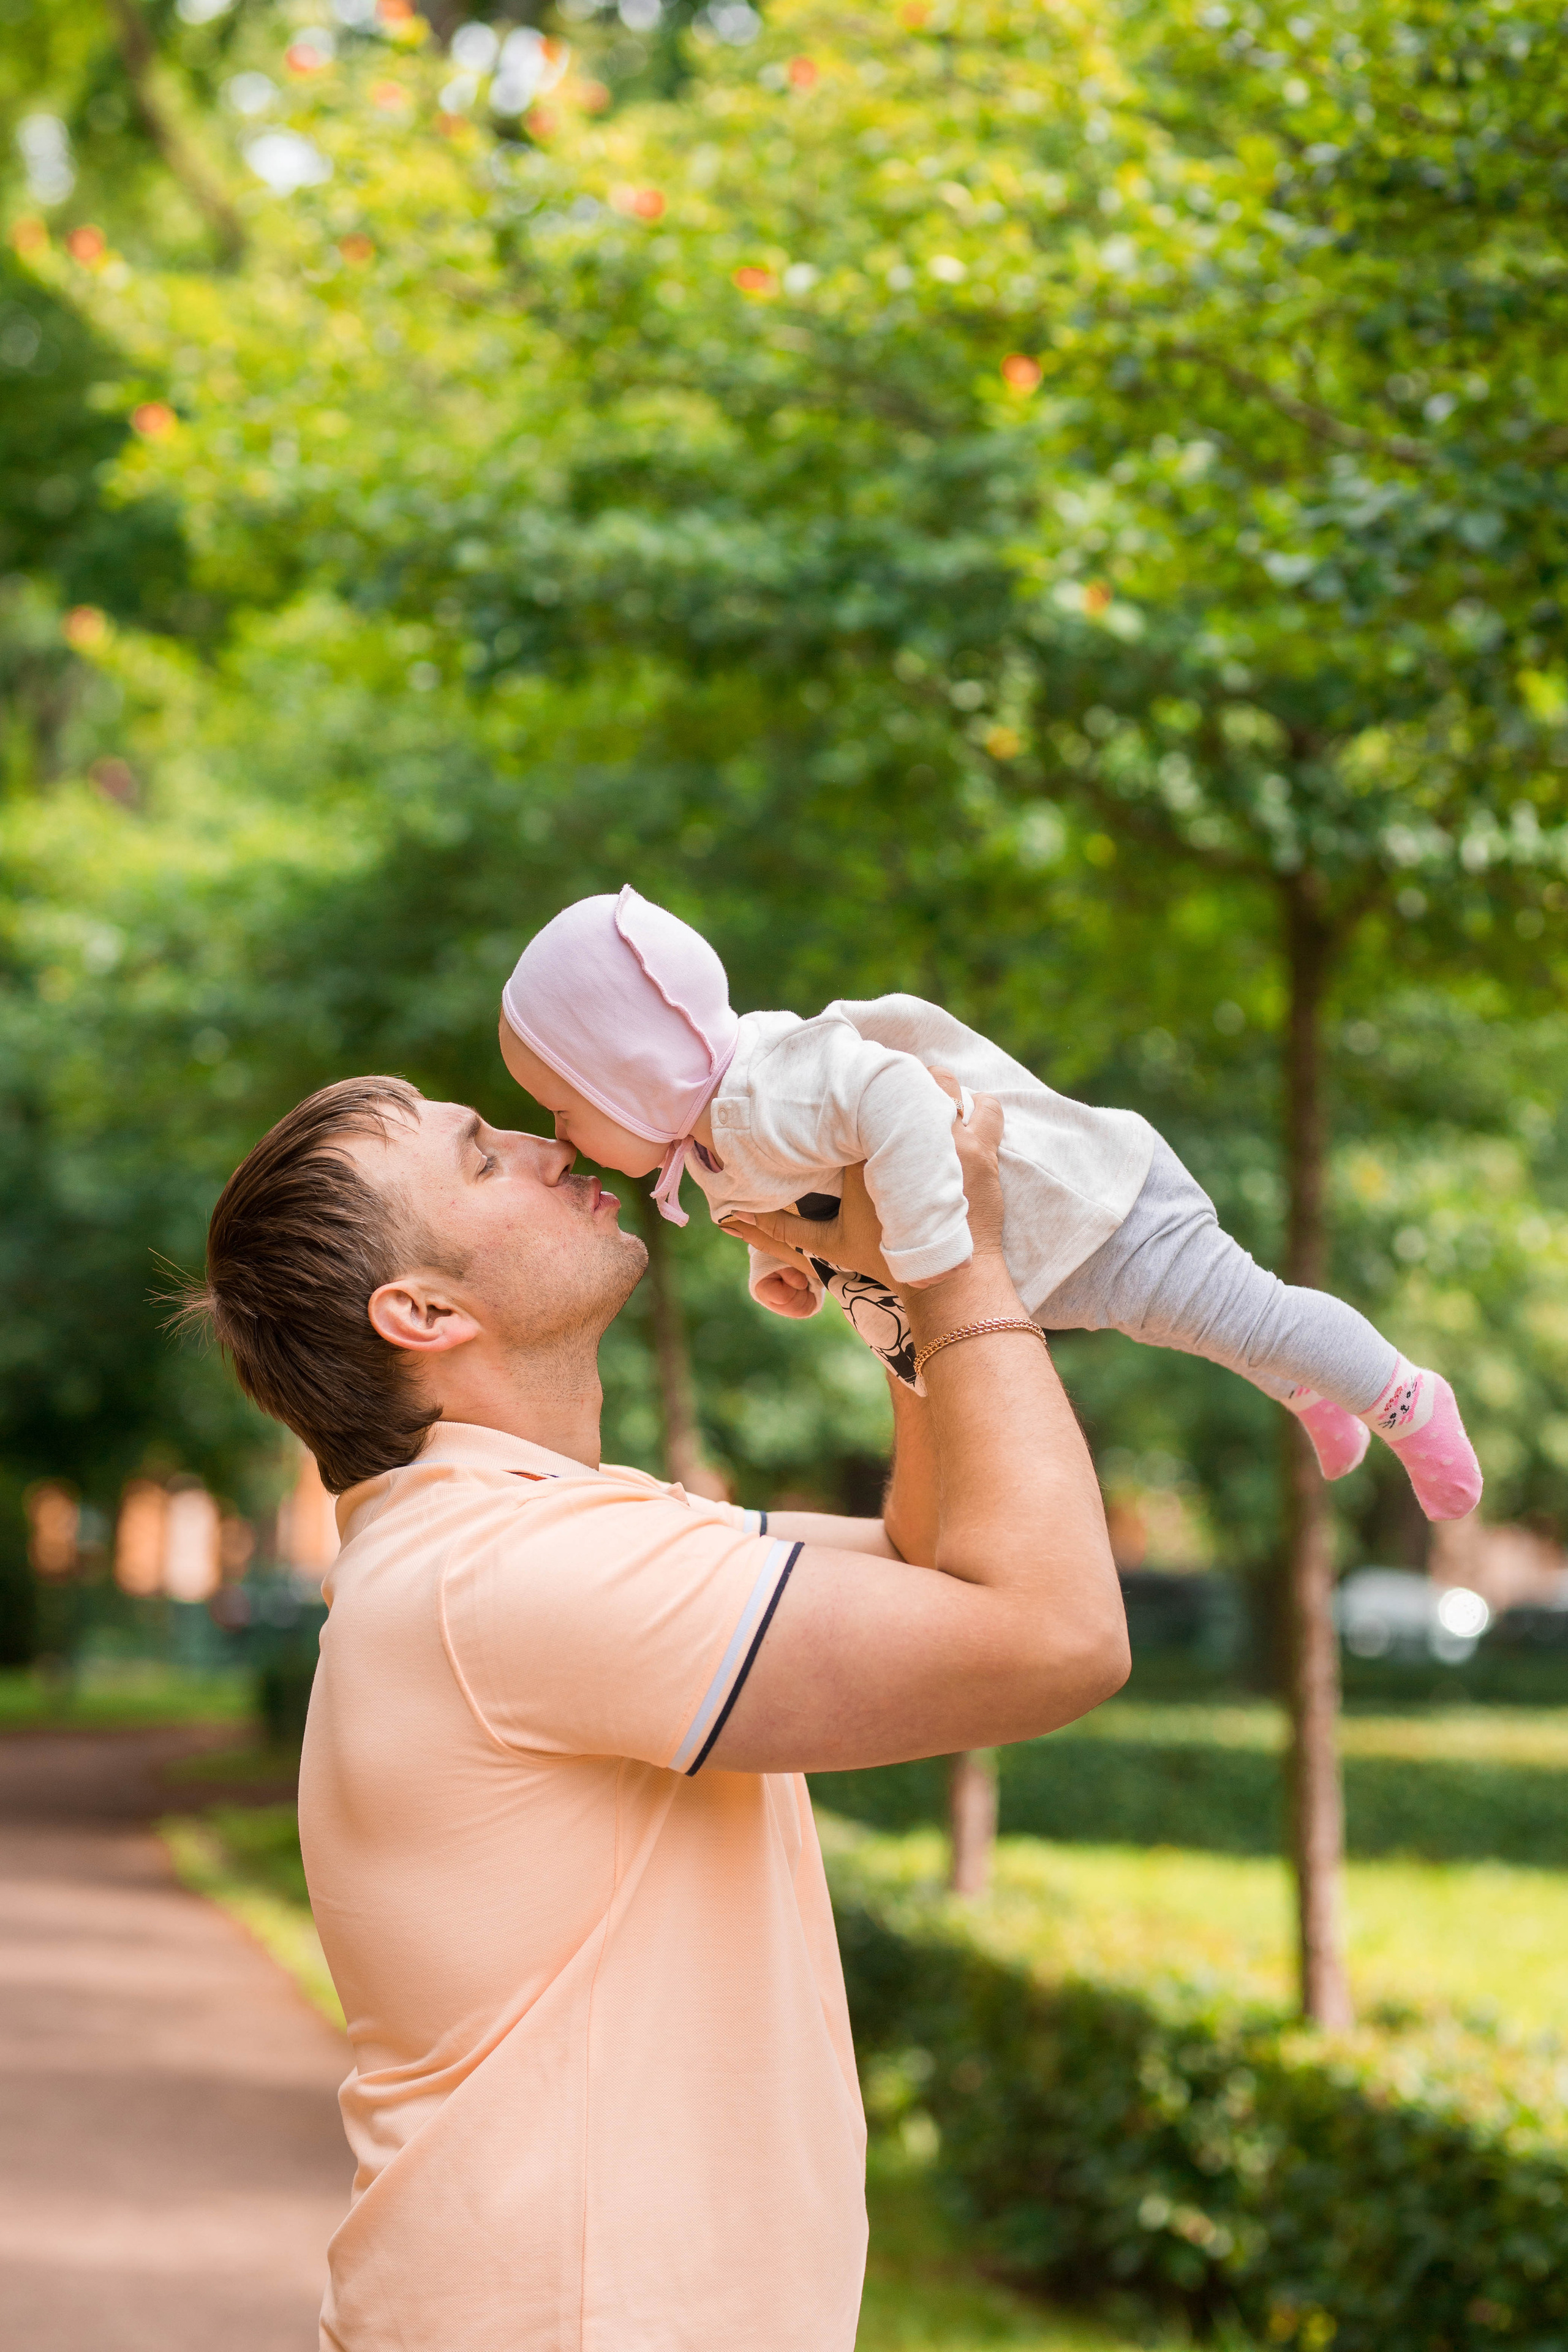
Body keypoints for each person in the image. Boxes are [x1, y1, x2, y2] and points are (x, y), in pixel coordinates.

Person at [180, 1068, 1127, 2352]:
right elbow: (1053, 1637)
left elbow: (931, 1559)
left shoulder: (535, 1536)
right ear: (421, 1310)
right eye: (478, 1158)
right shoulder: (505, 1574)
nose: (538, 1141)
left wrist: (889, 1289)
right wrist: (955, 1251)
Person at [498, 885, 1482, 1522]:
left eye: (564, 1104)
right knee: (1203, 1331)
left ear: (634, 1070)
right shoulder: (706, 1136)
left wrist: (932, 1255)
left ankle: (1404, 1396)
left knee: (1246, 1310)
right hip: (1032, 1264)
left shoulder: (768, 1089)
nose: (561, 1134)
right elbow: (780, 1205)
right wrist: (783, 1267)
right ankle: (1310, 1388)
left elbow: (893, 1097)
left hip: (1094, 1206)